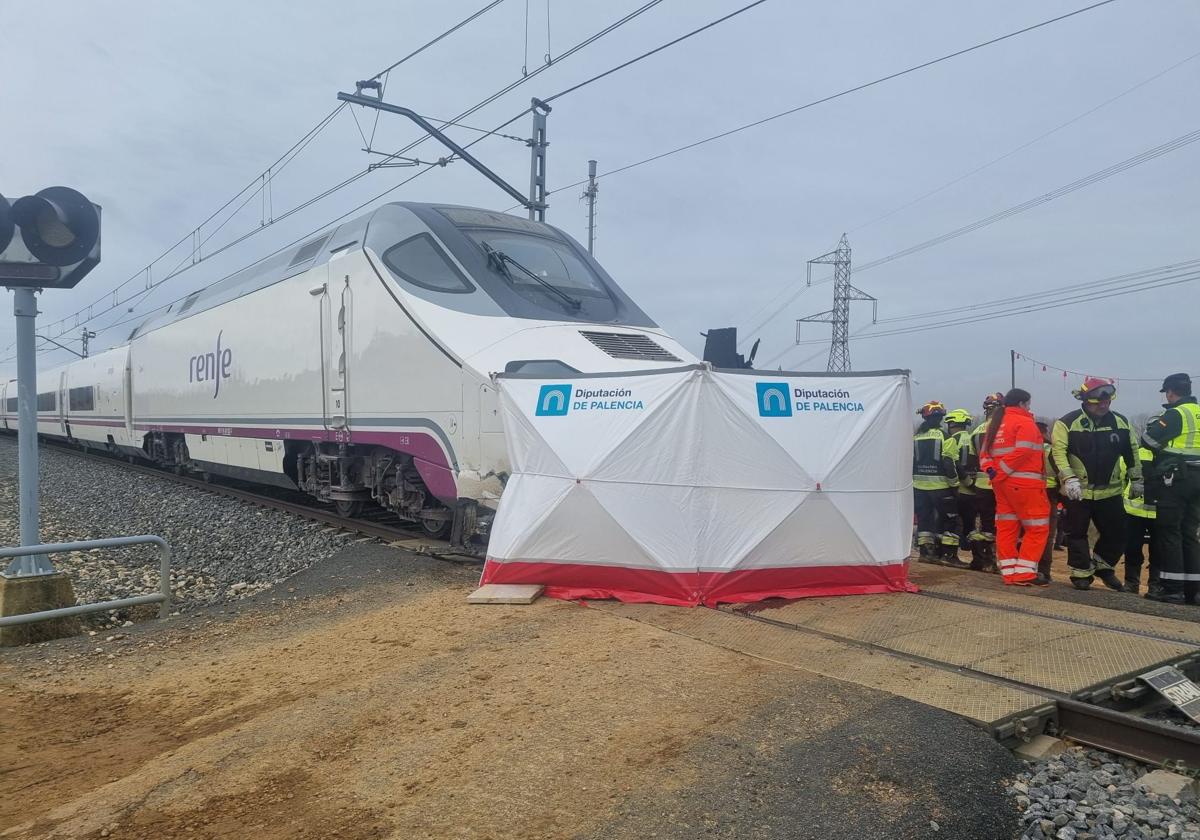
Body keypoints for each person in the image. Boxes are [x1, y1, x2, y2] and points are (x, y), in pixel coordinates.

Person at [1051, 377, 1141, 591]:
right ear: (1085, 401)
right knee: (1077, 533)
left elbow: (1132, 452)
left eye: (1107, 401)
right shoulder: (1067, 423)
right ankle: (1081, 573)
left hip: (1110, 492)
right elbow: (1058, 453)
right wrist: (1068, 478)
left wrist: (1138, 479)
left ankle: (1103, 565)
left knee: (1118, 532)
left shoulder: (1120, 422)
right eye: (1098, 402)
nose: (1104, 405)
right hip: (1077, 491)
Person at [1140, 373, 1200, 604]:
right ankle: (1194, 591)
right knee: (1191, 534)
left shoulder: (1175, 413)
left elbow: (1148, 441)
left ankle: (1172, 589)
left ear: (1170, 392)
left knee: (1169, 532)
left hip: (1176, 480)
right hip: (1198, 480)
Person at [978, 388, 1047, 586]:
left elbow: (984, 456)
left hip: (1001, 486)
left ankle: (1009, 572)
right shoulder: (1025, 422)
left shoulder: (994, 424)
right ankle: (1025, 572)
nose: (1030, 407)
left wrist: (995, 473)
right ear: (1022, 404)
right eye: (1029, 403)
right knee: (1037, 527)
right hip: (1025, 484)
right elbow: (1023, 451)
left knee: (1007, 526)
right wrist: (1002, 471)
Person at [913, 401, 965, 567]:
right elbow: (949, 463)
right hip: (941, 488)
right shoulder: (945, 437)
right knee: (952, 520)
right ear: (940, 418)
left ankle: (926, 553)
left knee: (924, 520)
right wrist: (955, 485)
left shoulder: (916, 437)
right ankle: (949, 556)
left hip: (919, 488)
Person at [966, 393, 1004, 572]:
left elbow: (972, 460)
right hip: (999, 483)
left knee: (984, 524)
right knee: (1002, 523)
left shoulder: (976, 430)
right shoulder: (1002, 428)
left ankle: (982, 560)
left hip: (981, 485)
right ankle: (995, 561)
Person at [1123, 434, 1157, 596]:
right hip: (1135, 511)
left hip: (1155, 513)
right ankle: (1135, 583)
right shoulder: (1134, 453)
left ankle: (1149, 585)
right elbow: (1122, 477)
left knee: (1155, 551)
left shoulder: (1169, 456)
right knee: (1134, 549)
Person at [943, 409, 975, 549]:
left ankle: (951, 552)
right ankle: (970, 548)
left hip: (956, 489)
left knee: (954, 522)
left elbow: (951, 464)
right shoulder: (973, 438)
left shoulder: (952, 440)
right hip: (973, 489)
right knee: (970, 522)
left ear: (952, 424)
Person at [1035, 419, 1060, 586]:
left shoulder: (1025, 449)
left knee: (1026, 534)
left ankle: (1026, 567)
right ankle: (1044, 571)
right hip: (1049, 497)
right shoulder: (1052, 451)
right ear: (1045, 433)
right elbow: (1062, 475)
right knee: (1046, 536)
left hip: (1026, 496)